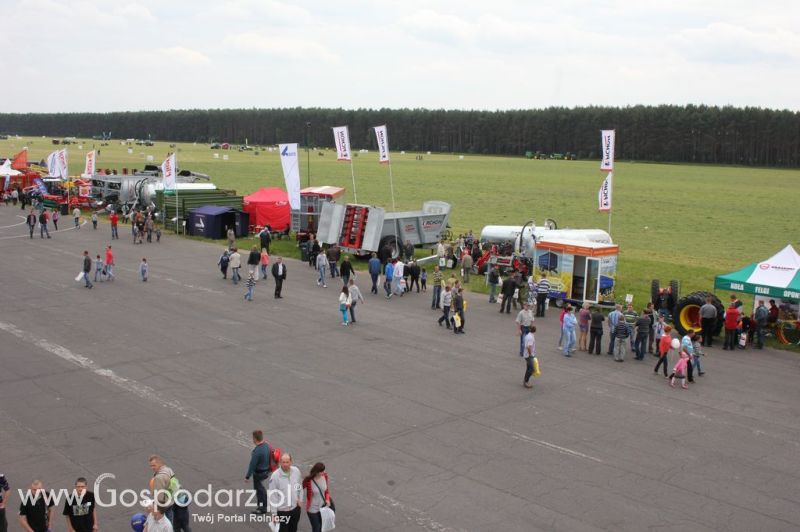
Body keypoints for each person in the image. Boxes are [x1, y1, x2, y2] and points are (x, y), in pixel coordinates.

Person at [267, 453, 302, 532]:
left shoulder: (296, 471)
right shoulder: (275, 476)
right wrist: (274, 514)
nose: (285, 464)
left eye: (287, 462)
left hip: (295, 509)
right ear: (280, 462)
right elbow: (273, 496)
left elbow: (299, 485)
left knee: (293, 529)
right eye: (283, 462)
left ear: (291, 462)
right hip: (282, 512)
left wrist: (300, 498)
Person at [245, 430, 272, 515]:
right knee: (261, 488)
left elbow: (252, 465)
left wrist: (247, 476)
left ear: (255, 439)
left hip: (259, 473)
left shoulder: (257, 451)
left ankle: (262, 508)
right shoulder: (266, 445)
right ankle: (264, 505)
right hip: (267, 471)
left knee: (259, 489)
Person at [303, 463, 332, 532]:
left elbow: (326, 491)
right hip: (312, 508)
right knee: (316, 528)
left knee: (322, 527)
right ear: (317, 472)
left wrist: (327, 500)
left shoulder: (325, 476)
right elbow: (299, 489)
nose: (324, 472)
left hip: (323, 507)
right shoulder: (308, 480)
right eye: (322, 471)